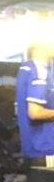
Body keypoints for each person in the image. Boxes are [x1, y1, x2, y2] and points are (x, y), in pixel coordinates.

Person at [16, 39, 54, 167]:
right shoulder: (38, 70)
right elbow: (35, 112)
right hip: (46, 148)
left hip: (38, 148)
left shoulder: (28, 68)